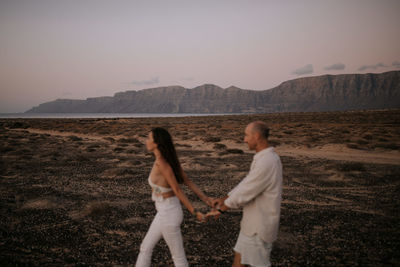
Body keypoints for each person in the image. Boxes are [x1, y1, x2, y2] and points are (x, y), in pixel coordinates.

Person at [207, 121, 283, 267]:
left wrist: (222, 209)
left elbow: (247, 191)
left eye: (247, 135)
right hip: (250, 225)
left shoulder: (267, 161)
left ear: (257, 136)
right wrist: (224, 199)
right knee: (239, 259)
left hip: (259, 227)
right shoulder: (263, 158)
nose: (244, 139)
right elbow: (246, 184)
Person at [135, 127, 212, 267]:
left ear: (156, 143)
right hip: (164, 211)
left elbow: (177, 189)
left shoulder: (162, 164)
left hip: (169, 213)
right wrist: (206, 199)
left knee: (178, 258)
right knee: (145, 248)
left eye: (148, 138)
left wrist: (194, 212)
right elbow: (188, 181)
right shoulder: (165, 160)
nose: (145, 141)